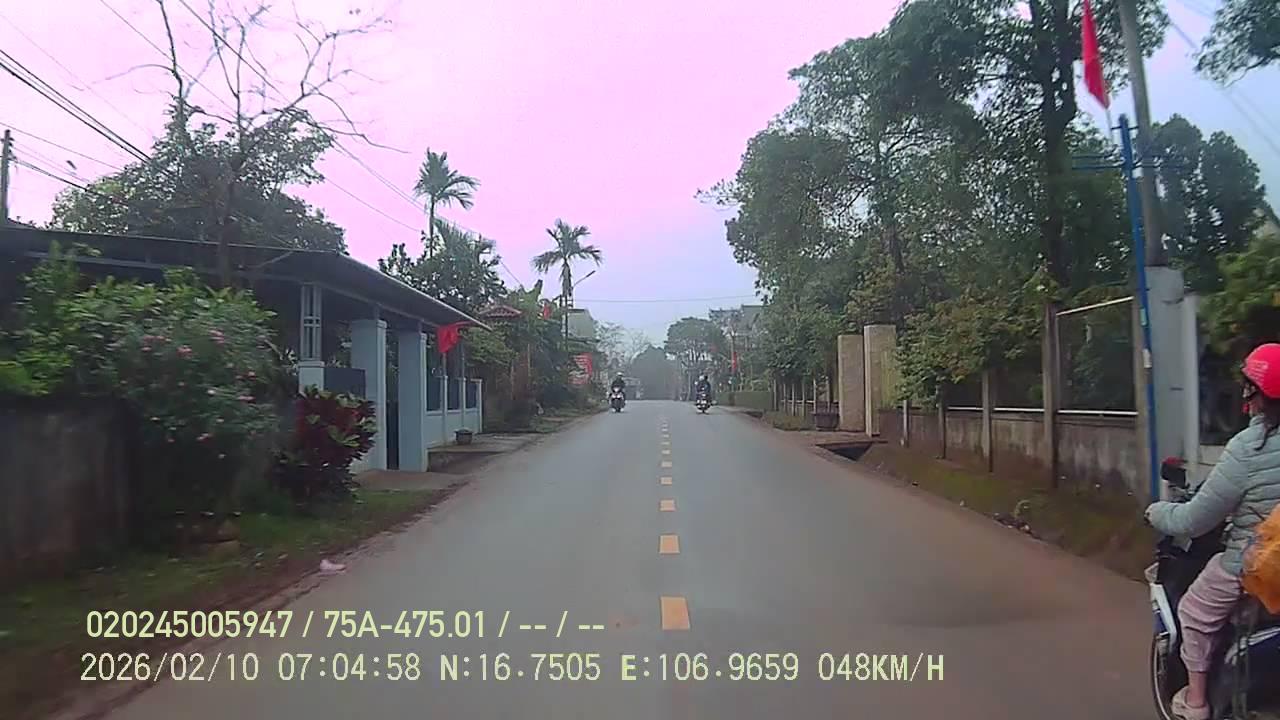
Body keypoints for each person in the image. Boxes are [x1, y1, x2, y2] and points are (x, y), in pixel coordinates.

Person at [1144, 343, 1280, 720]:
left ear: (1256, 393)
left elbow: (1194, 521)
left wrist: (1156, 512)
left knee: (1193, 612)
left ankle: (1197, 702)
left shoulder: (1248, 448)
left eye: (1248, 386)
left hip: (1255, 566)